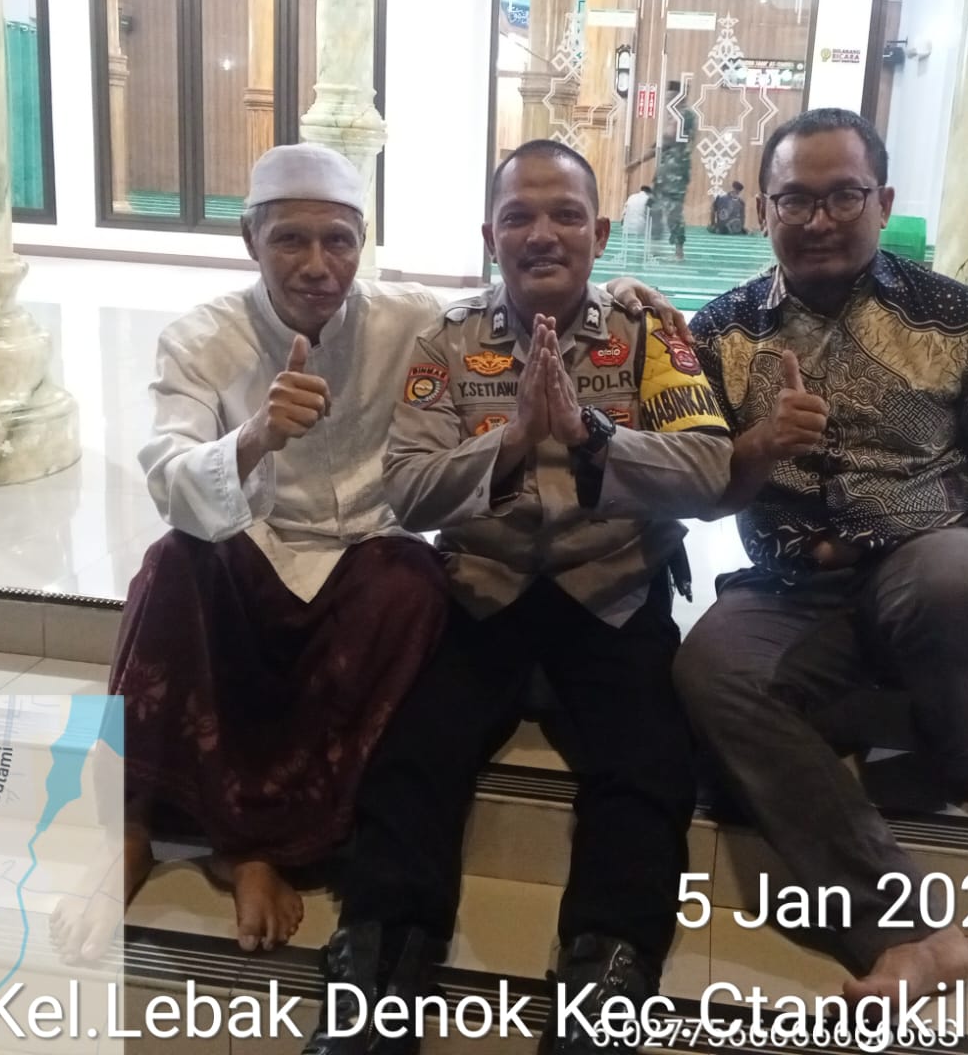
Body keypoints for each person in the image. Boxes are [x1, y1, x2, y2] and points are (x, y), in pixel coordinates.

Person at [104, 143, 685, 956]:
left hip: (370, 559)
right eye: (290, 240)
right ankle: (136, 819)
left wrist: (615, 291)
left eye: (337, 241)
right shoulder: (202, 339)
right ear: (250, 241)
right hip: (255, 550)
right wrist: (255, 435)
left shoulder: (405, 319)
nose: (317, 265)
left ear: (362, 244)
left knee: (414, 583)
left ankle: (260, 849)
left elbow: (522, 294)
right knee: (172, 563)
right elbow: (170, 477)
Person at [675, 108, 968, 1002]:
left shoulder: (957, 319)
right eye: (795, 200)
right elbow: (705, 495)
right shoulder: (721, 331)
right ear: (763, 210)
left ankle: (960, 753)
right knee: (710, 671)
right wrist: (761, 447)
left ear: (882, 202)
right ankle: (909, 931)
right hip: (790, 584)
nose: (818, 219)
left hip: (927, 562)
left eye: (843, 196)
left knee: (963, 583)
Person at [304, 139, 732, 1055]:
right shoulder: (449, 339)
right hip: (484, 591)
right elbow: (407, 490)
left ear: (599, 233)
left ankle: (604, 990)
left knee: (647, 767)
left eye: (566, 215)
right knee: (412, 755)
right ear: (489, 235)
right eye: (519, 217)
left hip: (613, 591)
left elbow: (708, 469)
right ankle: (376, 979)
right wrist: (511, 440)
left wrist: (592, 435)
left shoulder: (650, 332)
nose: (542, 235)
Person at [652, 98, 696, 261]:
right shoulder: (675, 114)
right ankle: (656, 247)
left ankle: (678, 251)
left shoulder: (685, 115)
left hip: (675, 174)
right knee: (654, 208)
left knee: (674, 213)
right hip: (664, 173)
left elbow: (670, 136)